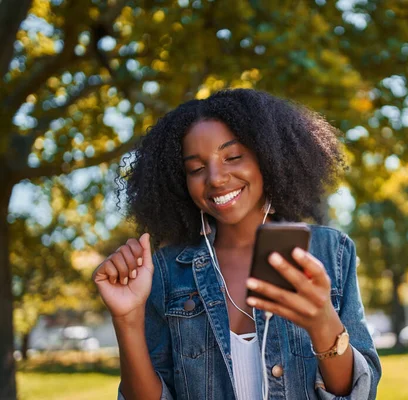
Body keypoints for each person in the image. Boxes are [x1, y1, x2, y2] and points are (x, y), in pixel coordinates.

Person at [92, 89, 381, 400]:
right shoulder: (163, 272)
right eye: (196, 169)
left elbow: (357, 394)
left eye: (233, 157)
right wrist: (127, 320)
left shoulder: (330, 252)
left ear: (267, 156)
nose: (216, 178)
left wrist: (322, 321)